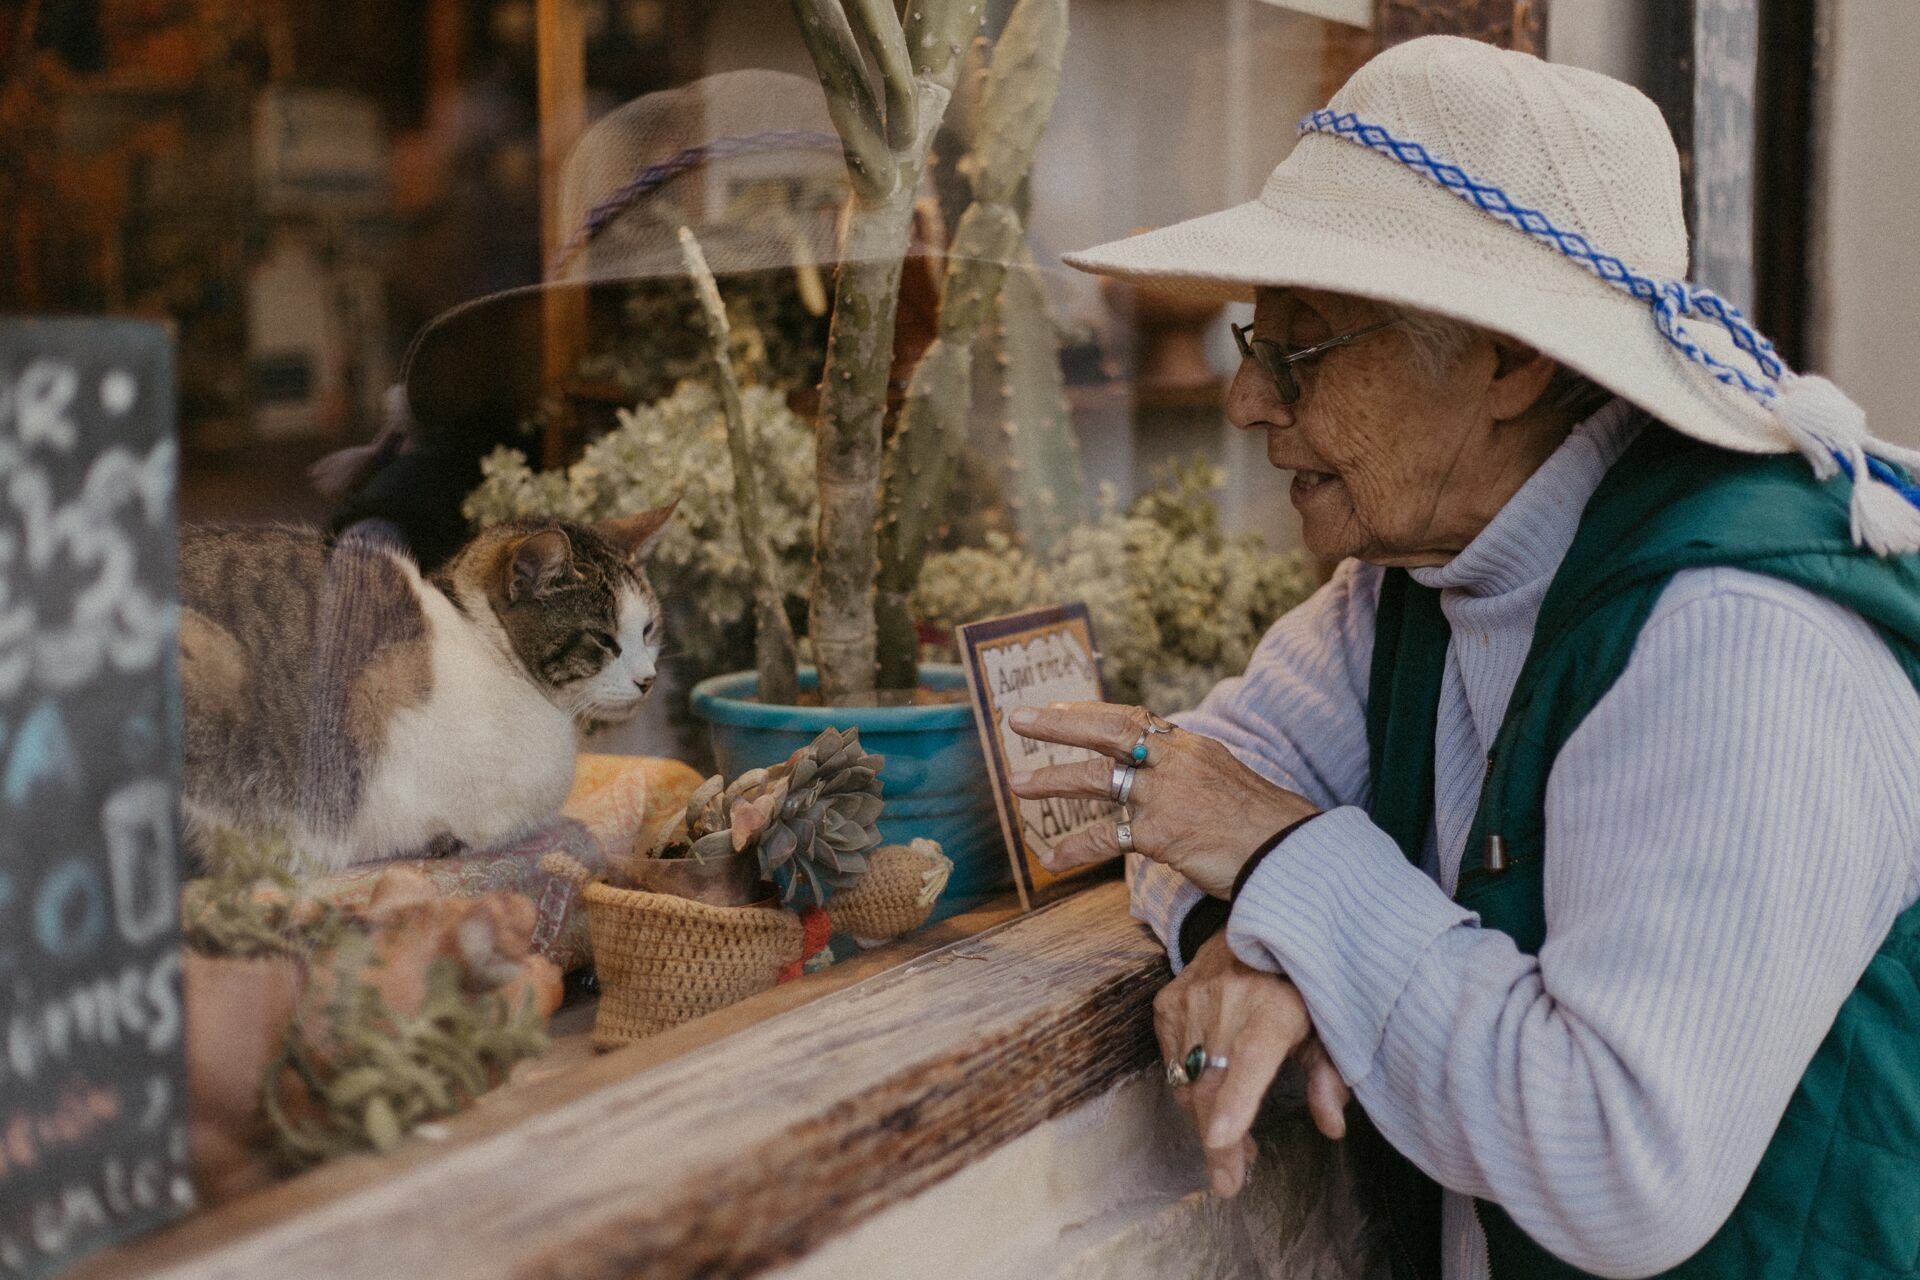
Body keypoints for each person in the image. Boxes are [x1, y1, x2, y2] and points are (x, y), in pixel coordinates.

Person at [1010, 35, 1920, 1280]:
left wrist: (1281, 858)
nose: (1248, 402)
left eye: (1304, 345)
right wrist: (1253, 937)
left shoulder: (1741, 639)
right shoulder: (1418, 582)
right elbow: (1195, 792)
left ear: (1508, 358)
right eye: (1250, 338)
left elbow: (1619, 1163)